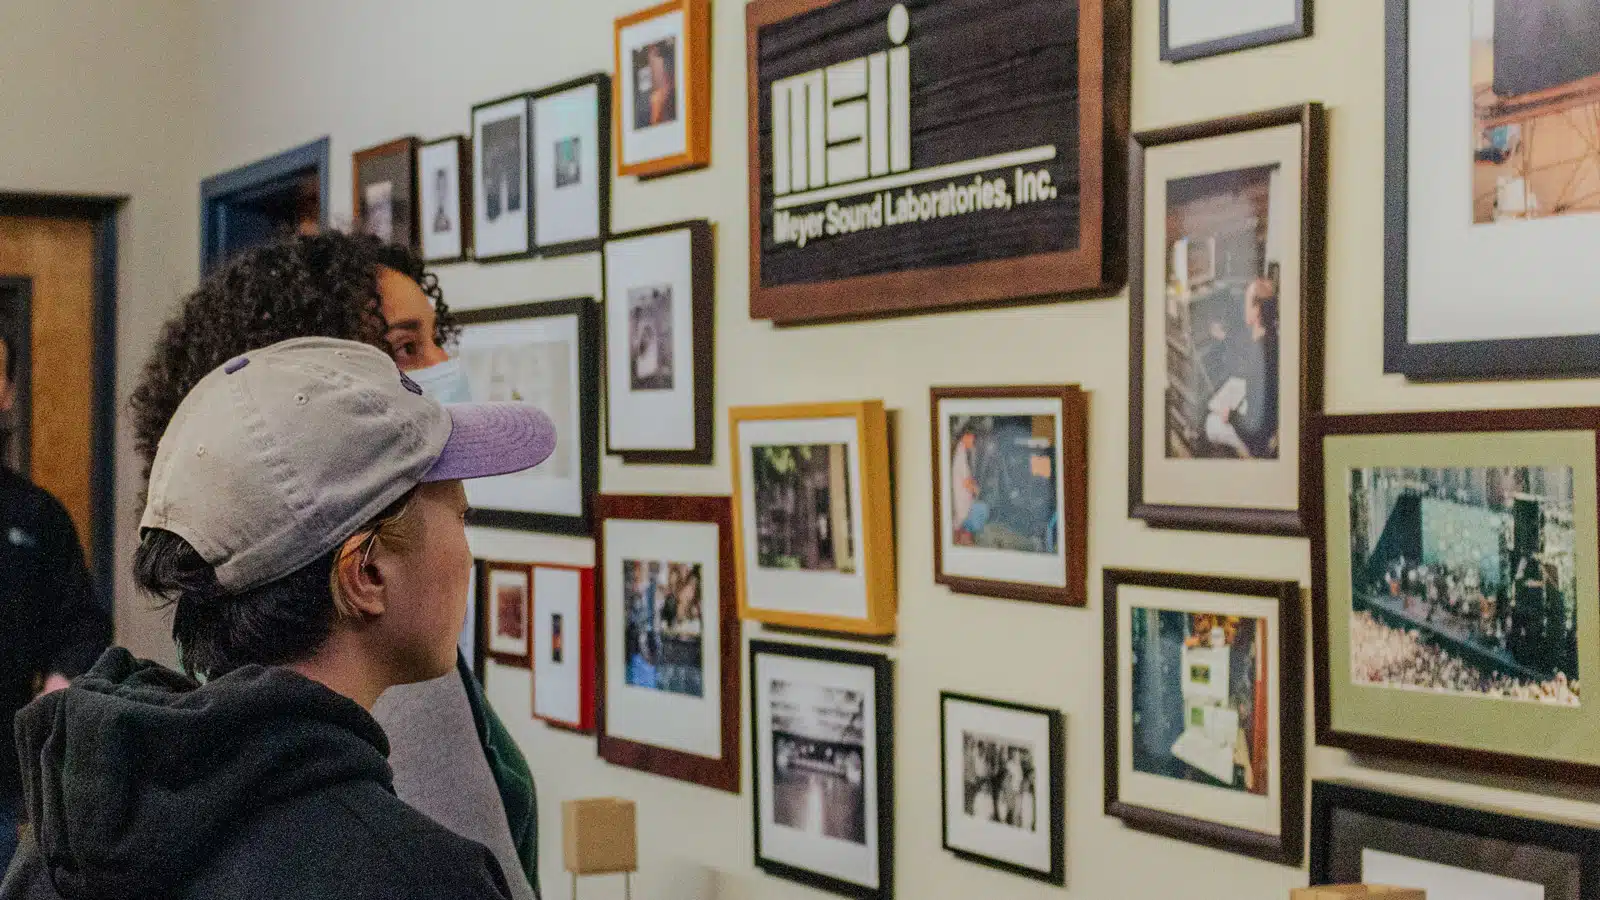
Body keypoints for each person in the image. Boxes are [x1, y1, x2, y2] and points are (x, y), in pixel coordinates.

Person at [2, 337, 556, 899]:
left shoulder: (63, 847)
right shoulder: (421, 877)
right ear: (364, 575)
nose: (467, 552)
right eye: (460, 516)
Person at [124, 232, 539, 898]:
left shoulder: (99, 800)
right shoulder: (409, 861)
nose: (439, 365)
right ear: (365, 573)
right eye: (405, 349)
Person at [0, 330, 112, 873]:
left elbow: (81, 625)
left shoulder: (36, 517)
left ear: (6, 392)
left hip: (5, 788)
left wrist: (60, 683)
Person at [1203, 276, 1280, 459]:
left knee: (1210, 423)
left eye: (1246, 301)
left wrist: (1230, 415)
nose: (1243, 306)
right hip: (1269, 422)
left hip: (1258, 439)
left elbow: (1253, 427)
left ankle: (1246, 455)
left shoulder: (1258, 359)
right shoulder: (1271, 338)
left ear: (1257, 310)